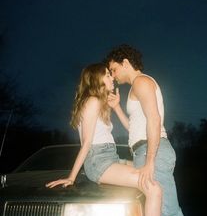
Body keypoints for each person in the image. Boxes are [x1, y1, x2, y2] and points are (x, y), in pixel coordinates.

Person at [46, 63, 162, 216]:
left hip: (110, 158)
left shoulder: (99, 103)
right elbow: (87, 143)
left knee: (151, 169)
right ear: (96, 79)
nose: (112, 77)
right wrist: (71, 177)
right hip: (98, 161)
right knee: (154, 188)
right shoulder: (92, 101)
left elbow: (130, 129)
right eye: (107, 75)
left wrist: (116, 107)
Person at [104, 44, 184, 216]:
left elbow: (154, 120)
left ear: (125, 62)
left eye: (114, 69)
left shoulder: (142, 82)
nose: (113, 75)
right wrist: (117, 107)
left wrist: (150, 161)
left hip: (153, 150)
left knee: (167, 211)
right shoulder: (137, 85)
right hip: (146, 149)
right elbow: (134, 128)